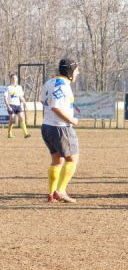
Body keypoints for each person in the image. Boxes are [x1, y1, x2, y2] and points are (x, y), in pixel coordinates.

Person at [39, 59, 80, 203]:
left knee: (57, 160)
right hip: (60, 127)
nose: (78, 73)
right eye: (76, 70)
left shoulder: (49, 82)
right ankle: (61, 191)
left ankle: (51, 193)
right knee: (72, 159)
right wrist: (71, 120)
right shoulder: (63, 86)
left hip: (46, 126)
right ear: (70, 72)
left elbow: (42, 101)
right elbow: (56, 107)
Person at [4, 73, 31, 139]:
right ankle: (9, 133)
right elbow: (5, 98)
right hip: (11, 105)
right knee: (12, 119)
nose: (14, 79)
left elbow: (21, 97)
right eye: (13, 78)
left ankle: (25, 133)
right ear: (10, 79)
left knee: (22, 117)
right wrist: (8, 106)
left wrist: (25, 103)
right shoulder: (8, 87)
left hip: (18, 105)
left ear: (17, 79)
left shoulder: (19, 87)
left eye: (15, 78)